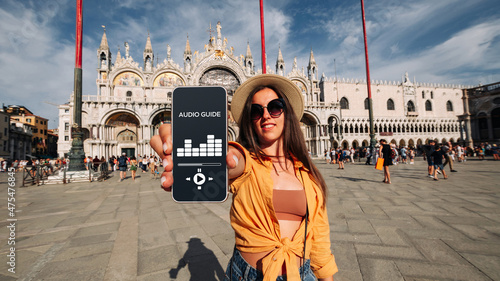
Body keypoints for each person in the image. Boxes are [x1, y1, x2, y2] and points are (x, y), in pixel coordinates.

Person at [150, 74, 337, 281]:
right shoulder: (247, 162)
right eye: (256, 111)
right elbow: (231, 159)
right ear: (250, 121)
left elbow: (319, 234)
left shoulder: (308, 173)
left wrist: (326, 278)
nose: (266, 115)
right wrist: (192, 145)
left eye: (275, 107)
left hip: (303, 275)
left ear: (287, 113)